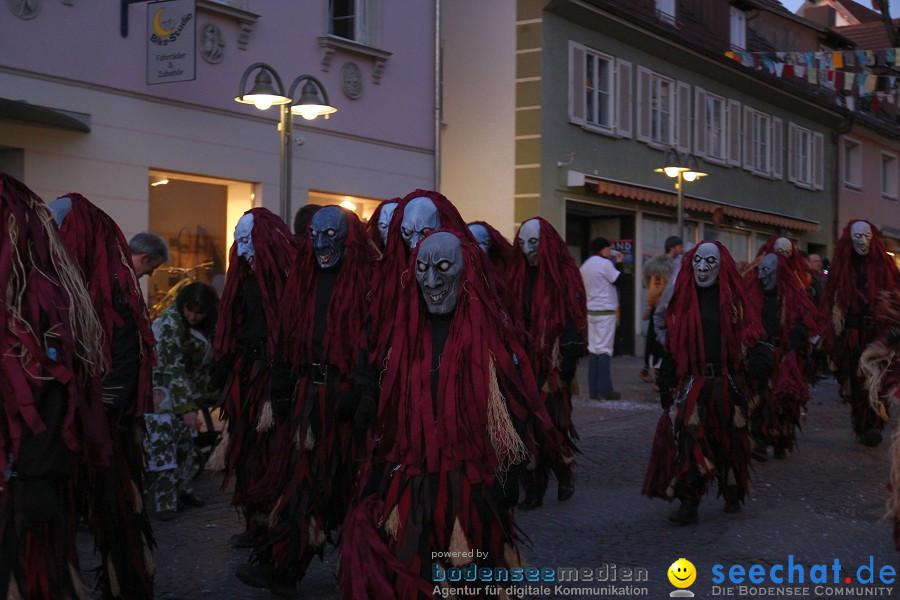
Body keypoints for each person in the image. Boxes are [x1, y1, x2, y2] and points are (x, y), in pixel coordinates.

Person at [339, 231, 545, 599]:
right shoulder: (403, 334)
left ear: (466, 270)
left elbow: (512, 405)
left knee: (473, 575)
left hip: (471, 482)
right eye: (422, 269)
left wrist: (510, 470)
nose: (432, 281)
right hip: (414, 478)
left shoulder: (490, 335)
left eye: (444, 268)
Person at [235, 206, 375, 596]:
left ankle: (363, 573)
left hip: (345, 400)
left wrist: (365, 393)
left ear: (347, 238)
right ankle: (285, 569)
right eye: (315, 235)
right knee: (301, 486)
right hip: (308, 400)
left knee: (352, 488)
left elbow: (375, 343)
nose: (321, 244)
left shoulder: (368, 282)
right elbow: (287, 334)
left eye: (331, 235)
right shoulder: (305, 279)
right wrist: (281, 388)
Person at [0, 174, 106, 600]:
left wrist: (36, 476)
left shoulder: (41, 303)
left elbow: (51, 390)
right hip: (21, 473)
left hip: (25, 477)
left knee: (32, 572)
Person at [52, 195, 162, 600]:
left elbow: (126, 358)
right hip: (66, 422)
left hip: (103, 427)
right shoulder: (60, 282)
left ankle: (128, 587)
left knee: (114, 513)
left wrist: (102, 413)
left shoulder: (114, 288)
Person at [643, 242, 764, 525]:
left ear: (721, 265)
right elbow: (675, 344)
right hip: (694, 382)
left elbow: (753, 334)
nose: (702, 267)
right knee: (690, 439)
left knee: (730, 440)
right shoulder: (684, 302)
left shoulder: (735, 301)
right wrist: (666, 380)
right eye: (697, 261)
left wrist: (759, 361)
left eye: (709, 261)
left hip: (726, 383)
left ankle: (733, 489)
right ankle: (689, 501)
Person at [209, 208, 299, 548]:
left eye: (248, 240)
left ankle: (274, 525)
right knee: (246, 451)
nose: (242, 248)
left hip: (272, 376)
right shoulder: (242, 278)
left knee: (271, 452)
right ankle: (254, 524)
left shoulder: (286, 278)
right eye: (238, 240)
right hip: (247, 376)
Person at [509, 217, 585, 509]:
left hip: (552, 365)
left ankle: (564, 470)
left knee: (552, 423)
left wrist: (567, 363)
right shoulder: (516, 275)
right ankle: (534, 488)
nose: (527, 250)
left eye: (534, 243)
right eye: (522, 243)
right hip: (523, 365)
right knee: (526, 426)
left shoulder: (564, 277)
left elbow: (573, 320)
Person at [820, 220, 899, 447]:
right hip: (852, 333)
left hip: (877, 331)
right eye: (857, 236)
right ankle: (863, 425)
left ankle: (875, 424)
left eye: (866, 236)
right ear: (849, 239)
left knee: (880, 378)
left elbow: (894, 294)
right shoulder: (841, 268)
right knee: (856, 381)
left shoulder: (884, 267)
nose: (862, 241)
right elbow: (830, 299)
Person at [145, 282, 219, 520]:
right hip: (163, 398)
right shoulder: (168, 325)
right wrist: (187, 408)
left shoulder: (196, 326)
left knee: (186, 446)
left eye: (199, 312)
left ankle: (183, 491)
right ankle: (166, 503)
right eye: (190, 310)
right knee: (164, 449)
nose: (194, 316)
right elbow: (172, 368)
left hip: (183, 396)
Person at [743, 252, 822, 461]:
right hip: (760, 353)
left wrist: (797, 339)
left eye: (768, 271)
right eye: (761, 270)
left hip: (782, 356)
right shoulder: (753, 296)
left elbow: (804, 321)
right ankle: (758, 440)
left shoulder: (791, 297)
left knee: (782, 401)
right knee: (759, 397)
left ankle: (779, 440)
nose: (763, 276)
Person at [580, 237, 624, 400]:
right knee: (604, 350)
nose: (609, 252)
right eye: (608, 249)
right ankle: (605, 389)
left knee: (594, 349)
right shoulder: (605, 264)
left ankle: (593, 389)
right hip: (605, 312)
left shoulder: (586, 265)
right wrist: (618, 262)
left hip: (591, 311)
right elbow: (619, 280)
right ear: (602, 249)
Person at [641, 236, 682, 386]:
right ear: (672, 248)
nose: (682, 249)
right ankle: (658, 379)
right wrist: (652, 305)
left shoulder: (671, 265)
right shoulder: (661, 267)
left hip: (663, 308)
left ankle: (654, 374)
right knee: (659, 343)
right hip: (661, 309)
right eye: (679, 246)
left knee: (658, 342)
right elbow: (655, 288)